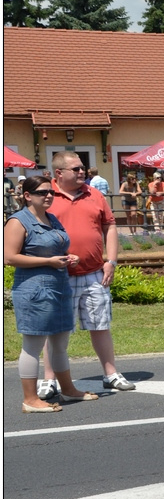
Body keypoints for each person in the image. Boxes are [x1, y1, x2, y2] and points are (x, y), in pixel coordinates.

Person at [41, 151, 136, 395]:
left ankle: (110, 374)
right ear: (59, 173)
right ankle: (49, 380)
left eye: (83, 167)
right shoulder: (46, 196)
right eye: (76, 169)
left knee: (100, 325)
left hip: (95, 273)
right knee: (54, 331)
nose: (82, 171)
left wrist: (111, 261)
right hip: (59, 276)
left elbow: (110, 226)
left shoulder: (94, 194)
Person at [4, 176, 98, 412]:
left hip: (59, 287)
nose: (48, 196)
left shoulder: (52, 218)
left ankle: (68, 390)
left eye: (51, 192)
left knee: (60, 344)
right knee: (33, 345)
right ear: (27, 196)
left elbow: (59, 247)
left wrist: (69, 257)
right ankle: (30, 399)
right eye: (41, 192)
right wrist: (48, 260)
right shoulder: (17, 221)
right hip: (34, 290)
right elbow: (9, 257)